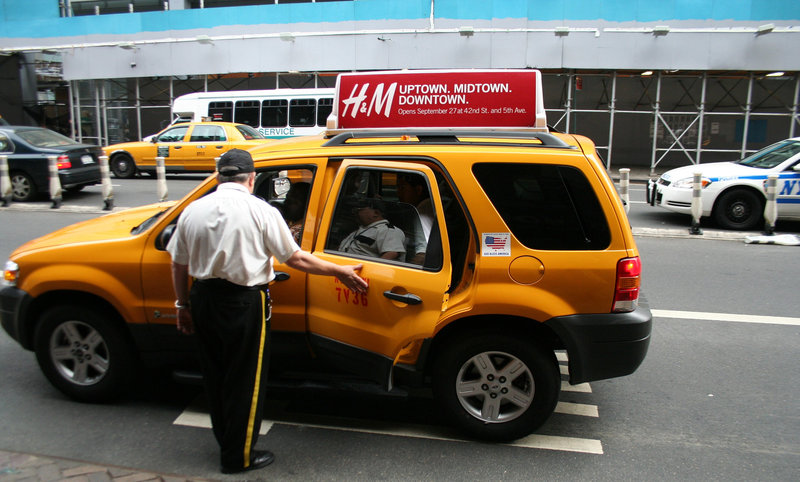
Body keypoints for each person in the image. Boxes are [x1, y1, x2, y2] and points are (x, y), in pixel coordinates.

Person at [166, 149, 367, 475]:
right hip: (244, 303)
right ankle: (238, 457)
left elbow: (178, 263)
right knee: (245, 379)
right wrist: (339, 270)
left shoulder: (193, 210)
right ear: (251, 178)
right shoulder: (261, 210)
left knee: (215, 376)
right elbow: (296, 259)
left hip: (202, 298)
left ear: (219, 177)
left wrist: (182, 306)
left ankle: (227, 441)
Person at [338, 197, 406, 260]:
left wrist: (373, 270)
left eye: (359, 210)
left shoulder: (387, 230)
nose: (355, 213)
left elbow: (392, 253)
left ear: (376, 213)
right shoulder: (360, 230)